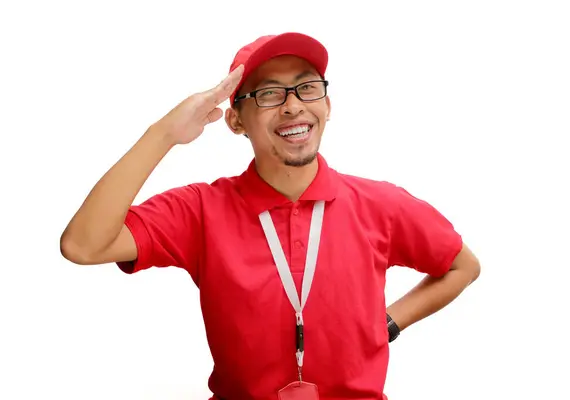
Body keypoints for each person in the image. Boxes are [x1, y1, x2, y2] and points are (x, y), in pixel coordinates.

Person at [60, 32, 481, 400]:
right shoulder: (200, 210)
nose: (293, 106)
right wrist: (165, 134)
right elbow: (82, 245)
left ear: (328, 105)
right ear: (236, 120)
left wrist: (388, 322)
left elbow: (463, 266)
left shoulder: (381, 204)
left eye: (307, 89)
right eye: (269, 94)